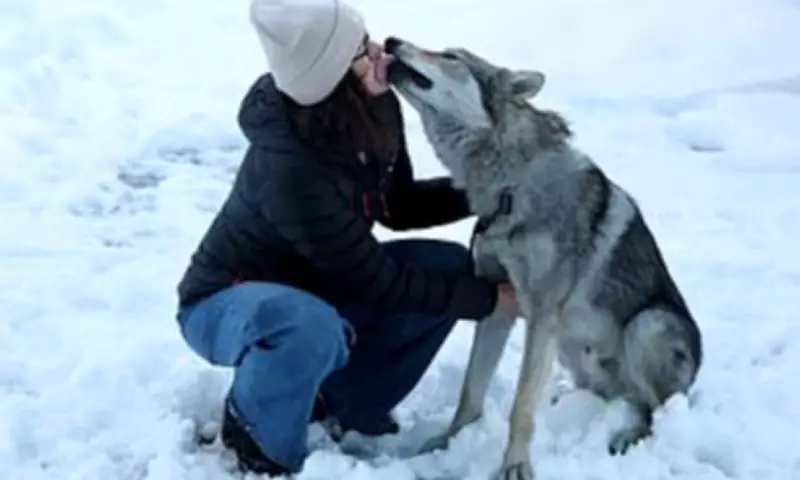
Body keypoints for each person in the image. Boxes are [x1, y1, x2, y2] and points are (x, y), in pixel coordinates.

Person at [174, 0, 520, 475]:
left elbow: (395, 206)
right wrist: (491, 300)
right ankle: (256, 438)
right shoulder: (291, 169)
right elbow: (376, 281)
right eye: (361, 50)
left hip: (316, 287)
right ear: (332, 76)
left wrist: (481, 191)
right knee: (307, 324)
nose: (379, 51)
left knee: (448, 269)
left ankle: (344, 405)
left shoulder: (373, 106)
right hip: (226, 302)